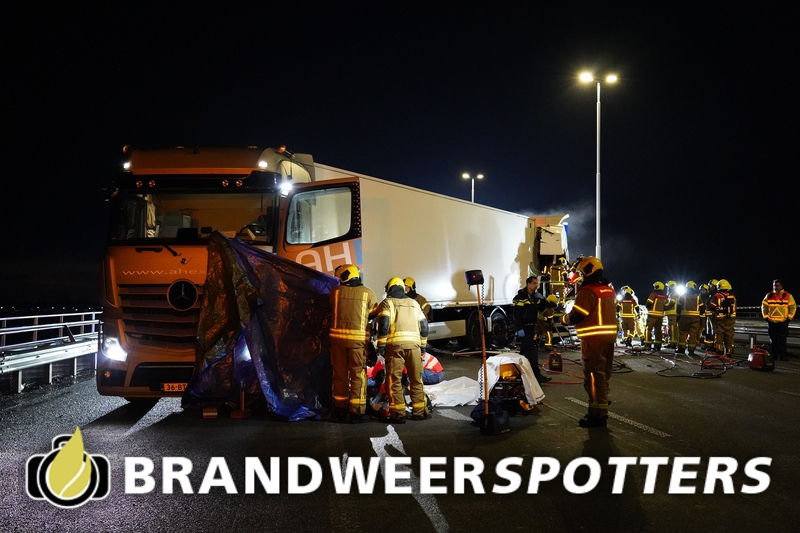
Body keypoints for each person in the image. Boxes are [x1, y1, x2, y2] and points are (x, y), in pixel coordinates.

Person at [561, 256, 617, 428]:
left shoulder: (588, 291)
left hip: (593, 340)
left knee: (593, 377)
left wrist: (564, 319)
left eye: (581, 273)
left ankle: (598, 415)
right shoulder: (608, 290)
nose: (580, 276)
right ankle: (599, 408)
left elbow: (577, 315)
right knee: (603, 375)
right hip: (609, 338)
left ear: (587, 271)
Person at [328, 265, 378, 423]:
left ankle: (339, 409)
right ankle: (356, 411)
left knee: (340, 375)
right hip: (358, 343)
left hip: (337, 342)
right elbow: (373, 316)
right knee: (358, 376)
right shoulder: (369, 293)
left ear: (344, 277)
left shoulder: (335, 292)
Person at [377, 277, 430, 423]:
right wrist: (423, 346)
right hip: (414, 346)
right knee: (416, 379)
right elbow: (424, 326)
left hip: (395, 347)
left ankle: (398, 414)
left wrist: (381, 345)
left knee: (394, 381)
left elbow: (384, 324)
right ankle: (419, 412)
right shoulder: (414, 303)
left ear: (389, 288)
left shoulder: (387, 303)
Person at [512, 276, 551, 384]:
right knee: (532, 353)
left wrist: (543, 300)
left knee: (524, 353)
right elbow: (517, 315)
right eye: (534, 283)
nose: (536, 285)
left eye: (536, 283)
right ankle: (537, 376)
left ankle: (519, 375)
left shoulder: (535, 297)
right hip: (524, 328)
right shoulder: (520, 297)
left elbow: (541, 309)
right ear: (528, 284)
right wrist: (519, 328)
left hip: (531, 327)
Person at [761, 279, 796, 361]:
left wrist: (789, 318)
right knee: (773, 340)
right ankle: (774, 355)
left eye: (777, 285)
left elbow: (793, 307)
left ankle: (782, 356)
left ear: (781, 286)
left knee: (782, 340)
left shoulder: (788, 296)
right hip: (772, 321)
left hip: (783, 321)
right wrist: (766, 317)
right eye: (774, 285)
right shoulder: (769, 295)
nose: (775, 287)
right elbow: (764, 306)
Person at [708, 279, 737, 355]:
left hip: (720, 318)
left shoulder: (717, 296)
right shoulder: (732, 296)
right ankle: (729, 351)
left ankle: (719, 350)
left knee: (719, 334)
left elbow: (712, 306)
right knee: (729, 334)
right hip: (730, 319)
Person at [676, 281, 704, 356]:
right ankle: (691, 350)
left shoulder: (682, 296)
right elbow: (702, 308)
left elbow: (678, 307)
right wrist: (701, 317)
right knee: (693, 333)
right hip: (695, 318)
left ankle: (681, 348)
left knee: (682, 332)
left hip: (684, 317)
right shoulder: (698, 297)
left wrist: (678, 317)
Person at [644, 281, 669, 351]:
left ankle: (647, 345)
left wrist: (649, 309)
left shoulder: (653, 294)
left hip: (652, 315)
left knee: (648, 329)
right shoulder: (665, 297)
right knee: (658, 330)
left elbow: (648, 303)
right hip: (660, 315)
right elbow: (667, 306)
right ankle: (658, 345)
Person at [664, 281, 679, 347]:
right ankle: (674, 341)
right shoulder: (673, 294)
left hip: (672, 312)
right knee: (673, 327)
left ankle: (672, 343)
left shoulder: (673, 294)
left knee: (672, 328)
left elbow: (671, 303)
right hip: (672, 313)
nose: (667, 288)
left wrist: (665, 307)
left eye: (668, 287)